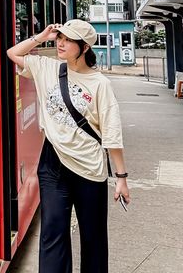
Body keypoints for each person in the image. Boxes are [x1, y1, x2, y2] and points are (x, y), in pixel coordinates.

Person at [7, 19, 130, 273]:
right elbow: (12, 53)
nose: (60, 43)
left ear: (84, 48)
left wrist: (121, 177)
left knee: (93, 237)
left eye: (68, 39)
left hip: (89, 167)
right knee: (52, 231)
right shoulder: (47, 68)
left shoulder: (100, 84)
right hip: (53, 163)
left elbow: (111, 133)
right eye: (59, 37)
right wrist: (41, 37)